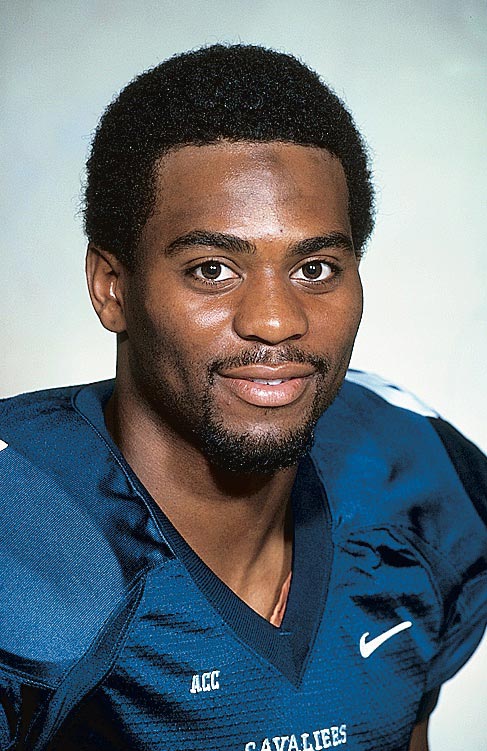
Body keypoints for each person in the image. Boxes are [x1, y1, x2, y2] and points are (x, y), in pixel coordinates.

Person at [0, 44, 485, 751]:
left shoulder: (413, 483)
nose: (275, 319)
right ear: (112, 287)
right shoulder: (19, 544)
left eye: (315, 266)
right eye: (213, 268)